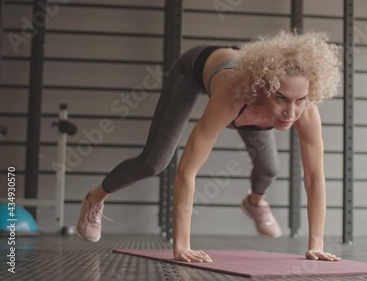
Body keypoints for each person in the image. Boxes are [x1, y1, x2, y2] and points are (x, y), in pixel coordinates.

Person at [76, 30, 341, 263]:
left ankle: (254, 202)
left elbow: (315, 178)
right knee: (154, 163)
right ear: (264, 89)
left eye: (301, 100)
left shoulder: (304, 110)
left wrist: (315, 244)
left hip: (255, 106)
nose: (291, 113)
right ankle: (95, 197)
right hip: (192, 71)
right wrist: (181, 246)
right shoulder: (234, 94)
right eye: (282, 98)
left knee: (270, 168)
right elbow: (187, 172)